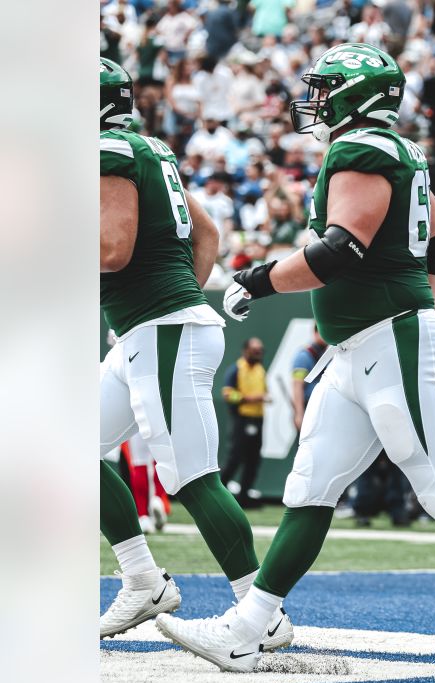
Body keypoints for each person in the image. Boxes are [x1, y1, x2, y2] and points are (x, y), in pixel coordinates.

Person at [154, 43, 435, 683]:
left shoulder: (361, 149)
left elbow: (340, 252)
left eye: (326, 89)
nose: (316, 102)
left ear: (357, 95)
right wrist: (427, 305)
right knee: (309, 488)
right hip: (362, 347)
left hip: (390, 343)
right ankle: (247, 628)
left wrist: (258, 278)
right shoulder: (401, 152)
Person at [98, 59, 292, 649]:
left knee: (192, 477)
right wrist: (178, 299)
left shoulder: (109, 151)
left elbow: (110, 249)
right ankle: (143, 580)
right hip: (156, 326)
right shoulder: (148, 148)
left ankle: (261, 615)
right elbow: (206, 234)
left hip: (163, 328)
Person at [221, 337, 268, 507]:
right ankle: (220, 492)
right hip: (241, 419)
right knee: (235, 458)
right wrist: (249, 398)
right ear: (245, 350)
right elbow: (227, 394)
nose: (258, 353)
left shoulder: (260, 370)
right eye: (255, 350)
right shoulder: (236, 369)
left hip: (258, 419)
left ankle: (244, 497)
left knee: (253, 460)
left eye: (260, 350)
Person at [290, 325, 327, 432]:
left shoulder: (328, 356)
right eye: (322, 332)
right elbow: (297, 386)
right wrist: (299, 414)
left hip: (323, 408)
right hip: (309, 408)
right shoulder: (303, 356)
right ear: (315, 333)